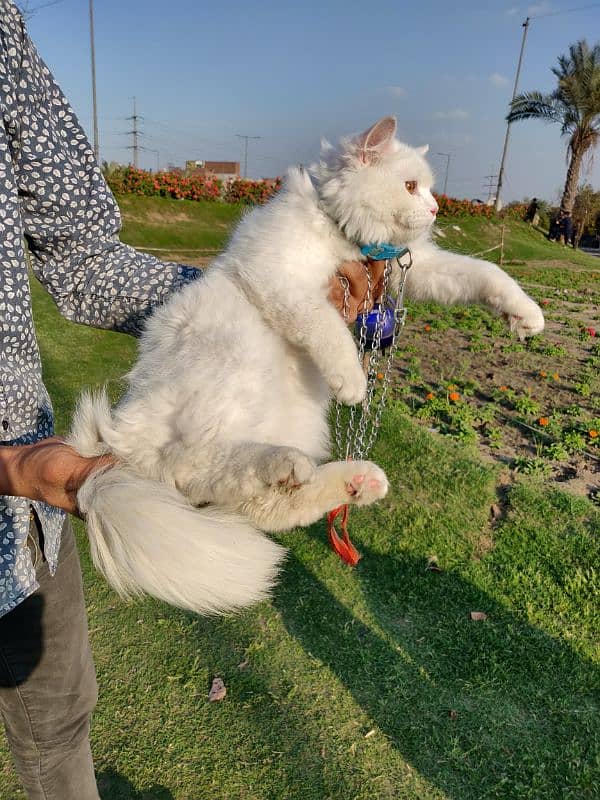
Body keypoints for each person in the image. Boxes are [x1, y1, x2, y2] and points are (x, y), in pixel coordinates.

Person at [0, 3, 384, 797]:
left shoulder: (4, 41)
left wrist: (260, 303)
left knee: (60, 721)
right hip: (29, 476)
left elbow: (86, 260)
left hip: (30, 513)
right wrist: (15, 466)